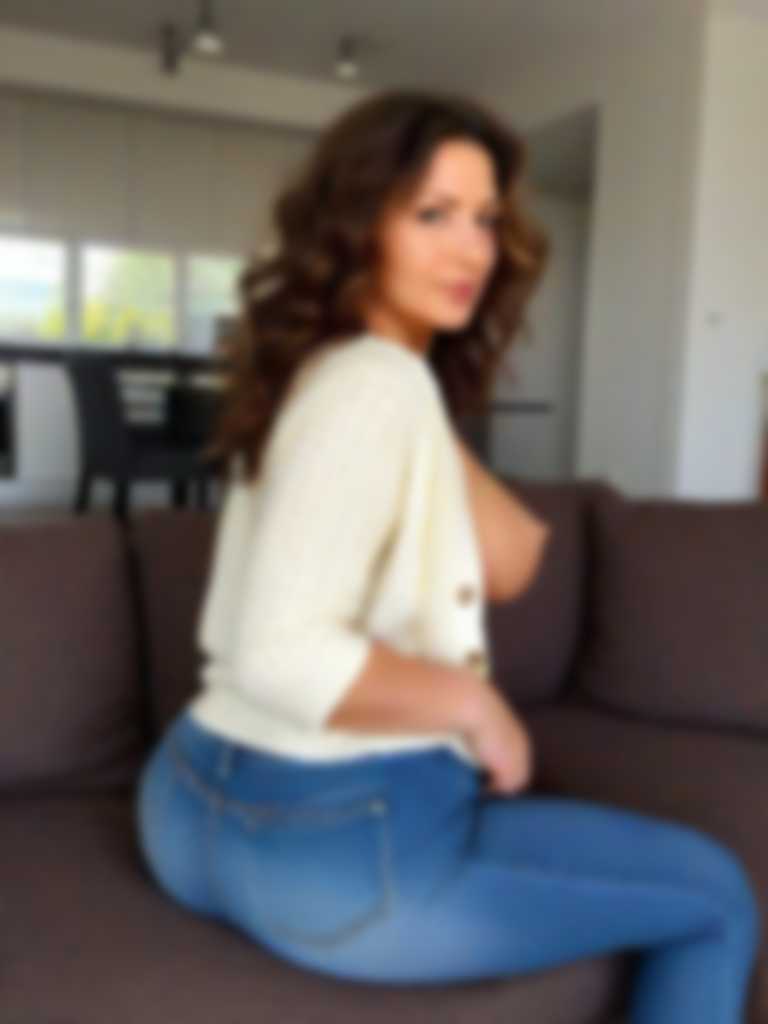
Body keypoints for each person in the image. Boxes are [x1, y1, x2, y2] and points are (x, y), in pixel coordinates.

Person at [134, 88, 760, 1020]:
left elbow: (514, 559)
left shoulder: (343, 376)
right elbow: (280, 649)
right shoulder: (374, 388)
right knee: (715, 897)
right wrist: (478, 708)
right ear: (358, 227)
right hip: (334, 850)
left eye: (485, 219)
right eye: (433, 214)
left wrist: (429, 411)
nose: (472, 250)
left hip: (186, 811)